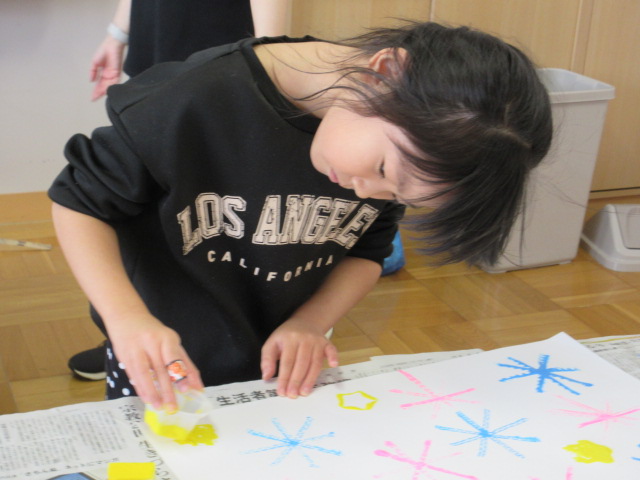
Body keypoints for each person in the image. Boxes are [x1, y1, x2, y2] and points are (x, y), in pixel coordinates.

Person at [50, 22, 552, 414]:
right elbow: (79, 202)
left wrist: (312, 323)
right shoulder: (192, 99)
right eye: (383, 170)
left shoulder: (391, 149)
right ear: (384, 73)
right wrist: (125, 319)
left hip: (280, 355)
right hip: (159, 351)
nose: (371, 194)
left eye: (400, 196)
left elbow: (367, 250)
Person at [68, 0, 291, 381]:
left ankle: (222, 344)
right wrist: (118, 34)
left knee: (204, 222)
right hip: (154, 54)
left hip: (219, 63)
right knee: (143, 215)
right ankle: (133, 338)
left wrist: (266, 62)